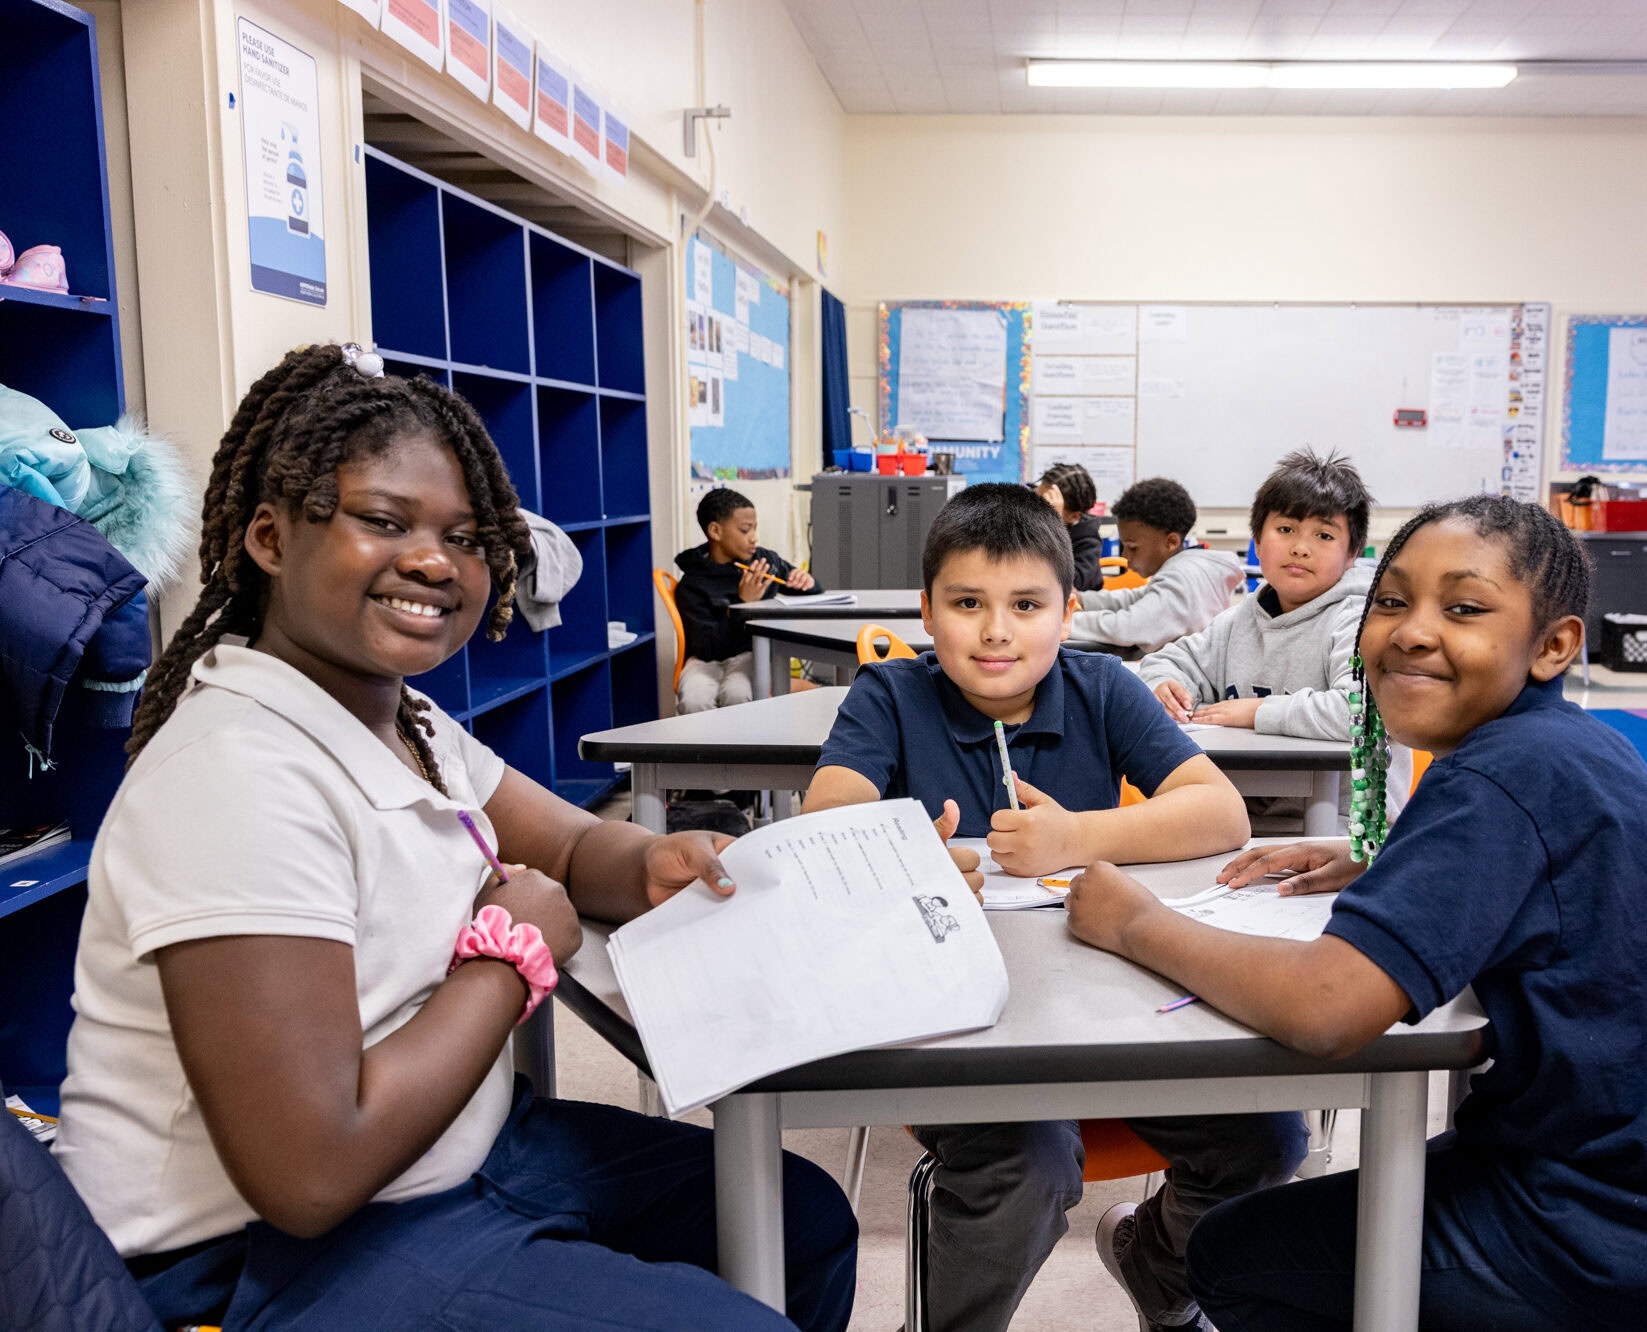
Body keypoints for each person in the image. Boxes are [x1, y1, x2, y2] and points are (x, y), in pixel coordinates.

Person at [51, 345, 857, 1331]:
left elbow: (565, 850)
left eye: (469, 538)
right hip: (256, 1251)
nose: (436, 560)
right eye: (384, 522)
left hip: (452, 1145)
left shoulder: (407, 724)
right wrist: (509, 962)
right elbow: (308, 1171)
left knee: (800, 1219)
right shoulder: (238, 774)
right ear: (269, 537)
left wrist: (651, 858)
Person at [1067, 495, 1647, 1330]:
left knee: (1234, 1257)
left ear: (1553, 645)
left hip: (1585, 1219)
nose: (1410, 631)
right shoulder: (1571, 744)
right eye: (1390, 601)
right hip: (1601, 1166)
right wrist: (1381, 861)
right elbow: (1538, 866)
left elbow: (1328, 1008)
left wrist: (1133, 923)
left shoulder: (1495, 778)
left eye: (1463, 608)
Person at [805, 484, 1302, 1332]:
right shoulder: (888, 695)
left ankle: (1156, 1267)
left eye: (1026, 605)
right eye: (967, 603)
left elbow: (1220, 813)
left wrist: (1075, 839)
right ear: (927, 611)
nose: (996, 630)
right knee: (1028, 1163)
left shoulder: (1101, 687)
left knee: (1265, 1141)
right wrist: (910, 864)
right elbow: (827, 823)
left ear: (1067, 613)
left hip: (1105, 1013)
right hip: (966, 1023)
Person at [1138, 448, 1409, 823]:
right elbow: (1168, 659)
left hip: (1345, 829)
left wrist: (1257, 712)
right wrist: (1163, 682)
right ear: (1258, 541)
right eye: (1285, 530)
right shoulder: (1239, 620)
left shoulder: (1361, 620)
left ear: (1352, 555)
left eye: (1324, 535)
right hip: (1248, 819)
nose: (1300, 547)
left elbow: (1366, 713)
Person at [674, 487, 822, 711]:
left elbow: (806, 589)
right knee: (695, 698)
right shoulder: (692, 583)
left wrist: (808, 582)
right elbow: (707, 649)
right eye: (745, 530)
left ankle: (745, 747)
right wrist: (743, 606)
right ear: (715, 531)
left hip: (752, 654)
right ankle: (705, 748)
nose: (754, 537)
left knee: (739, 694)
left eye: (755, 528)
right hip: (706, 659)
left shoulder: (763, 561)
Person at [1072, 477, 1245, 654]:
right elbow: (1137, 598)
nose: (1125, 556)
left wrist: (1061, 621)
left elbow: (1129, 627)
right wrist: (1082, 600)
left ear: (1170, 542)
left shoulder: (1182, 577)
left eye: (1132, 548)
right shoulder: (1187, 567)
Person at [1036, 461, 1105, 591]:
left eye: (1045, 506)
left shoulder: (1089, 542)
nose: (1034, 508)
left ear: (1074, 516)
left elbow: (1069, 585)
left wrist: (1052, 524)